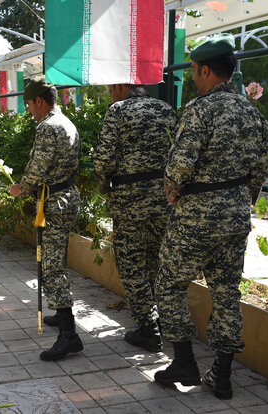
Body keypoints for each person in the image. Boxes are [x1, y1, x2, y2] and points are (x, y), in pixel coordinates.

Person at [153, 34, 268, 400]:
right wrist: (240, 201)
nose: (192, 78)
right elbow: (260, 170)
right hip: (235, 216)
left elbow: (178, 167)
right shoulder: (253, 113)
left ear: (205, 70)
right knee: (226, 292)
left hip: (196, 216)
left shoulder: (200, 110)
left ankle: (184, 362)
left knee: (170, 284)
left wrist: (173, 193)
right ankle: (221, 374)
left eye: (194, 72)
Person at [93, 84, 177, 352]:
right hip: (165, 200)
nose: (110, 93)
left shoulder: (117, 111)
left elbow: (104, 157)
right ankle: (163, 321)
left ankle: (148, 328)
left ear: (120, 86)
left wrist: (103, 182)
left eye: (110, 88)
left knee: (131, 264)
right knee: (156, 261)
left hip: (130, 202)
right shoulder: (167, 110)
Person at [10, 77, 82, 361]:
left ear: (39, 101)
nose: (29, 110)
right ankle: (60, 313)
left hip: (53, 201)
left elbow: (38, 168)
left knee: (51, 267)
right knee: (55, 260)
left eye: (29, 104)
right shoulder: (66, 121)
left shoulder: (47, 127)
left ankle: (69, 334)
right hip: (66, 196)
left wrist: (21, 188)